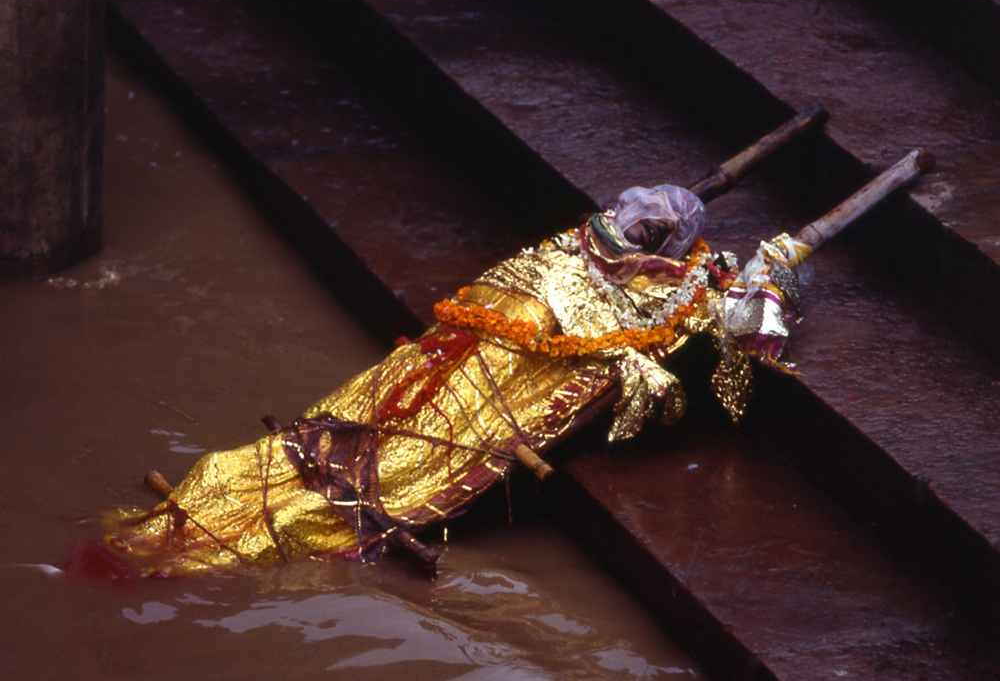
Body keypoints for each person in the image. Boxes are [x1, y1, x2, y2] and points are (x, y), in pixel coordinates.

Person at [86, 182, 808, 579]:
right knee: (374, 438)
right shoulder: (586, 260)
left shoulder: (646, 280)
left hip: (505, 371)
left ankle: (194, 532)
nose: (641, 228)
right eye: (645, 222)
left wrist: (751, 281)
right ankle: (200, 525)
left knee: (390, 452)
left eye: (653, 227)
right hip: (475, 356)